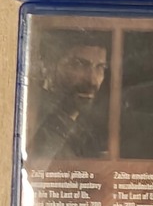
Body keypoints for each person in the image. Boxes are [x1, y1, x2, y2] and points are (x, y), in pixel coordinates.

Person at [29, 31, 110, 161]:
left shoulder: (88, 126)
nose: (92, 80)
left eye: (100, 68)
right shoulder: (32, 118)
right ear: (50, 65)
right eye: (79, 65)